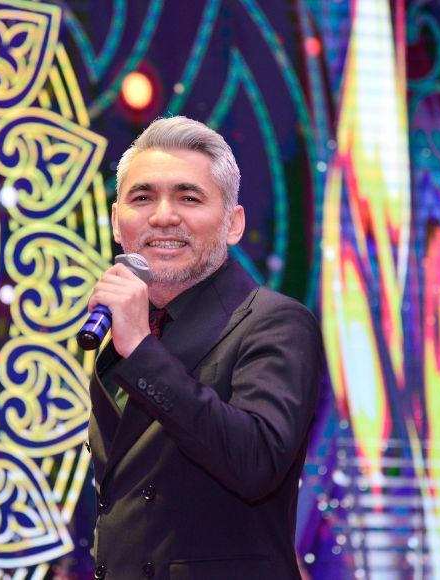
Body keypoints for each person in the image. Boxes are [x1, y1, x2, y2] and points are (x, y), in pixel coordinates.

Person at [86, 116, 322, 579]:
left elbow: (256, 462)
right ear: (116, 222)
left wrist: (141, 350)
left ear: (233, 224)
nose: (163, 216)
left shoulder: (274, 322)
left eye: (188, 197)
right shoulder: (126, 331)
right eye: (142, 198)